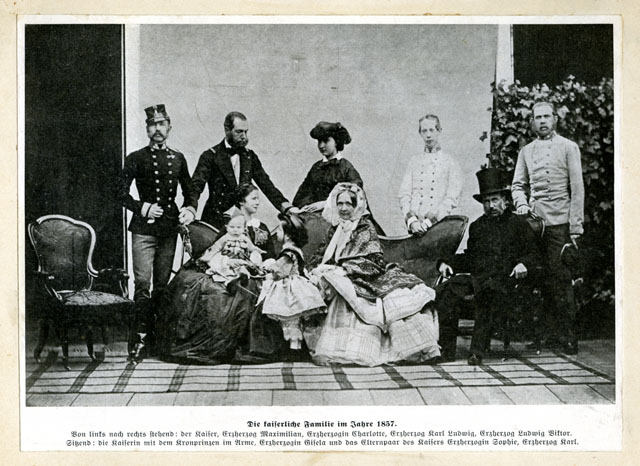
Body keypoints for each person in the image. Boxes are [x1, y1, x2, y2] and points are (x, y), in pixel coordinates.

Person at [308, 183, 441, 367]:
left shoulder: (365, 227)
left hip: (365, 276)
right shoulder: (334, 229)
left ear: (356, 205)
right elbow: (321, 254)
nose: (343, 208)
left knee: (379, 302)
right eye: (340, 204)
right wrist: (316, 269)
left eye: (348, 204)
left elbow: (375, 261)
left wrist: (346, 269)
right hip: (340, 275)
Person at [155, 183, 281, 364]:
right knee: (221, 294)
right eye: (254, 199)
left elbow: (269, 254)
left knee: (253, 288)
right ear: (241, 201)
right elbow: (217, 249)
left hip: (255, 268)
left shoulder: (261, 227)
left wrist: (264, 264)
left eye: (258, 199)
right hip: (228, 266)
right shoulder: (229, 226)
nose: (258, 203)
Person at [437, 168, 538, 365]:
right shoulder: (478, 226)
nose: (490, 206)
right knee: (447, 289)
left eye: (494, 200)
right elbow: (470, 258)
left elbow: (533, 254)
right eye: (486, 201)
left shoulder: (518, 224)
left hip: (506, 280)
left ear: (505, 201)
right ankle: (446, 351)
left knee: (488, 291)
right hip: (479, 278)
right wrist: (446, 262)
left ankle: (476, 351)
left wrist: (523, 264)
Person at [121, 104, 197, 355]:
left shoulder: (178, 158)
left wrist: (189, 209)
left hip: (168, 229)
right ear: (147, 129)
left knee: (162, 285)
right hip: (143, 229)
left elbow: (190, 190)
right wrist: (142, 207)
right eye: (152, 124)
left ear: (169, 127)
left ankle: (158, 339)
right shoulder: (135, 158)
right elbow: (119, 192)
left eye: (161, 124)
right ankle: (140, 339)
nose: (157, 129)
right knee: (143, 283)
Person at [511, 101, 585, 355]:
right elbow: (517, 185)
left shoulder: (568, 147)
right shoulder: (526, 151)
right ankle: (543, 335)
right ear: (532, 122)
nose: (542, 121)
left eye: (546, 116)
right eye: (537, 117)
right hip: (535, 226)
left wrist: (575, 227)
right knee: (538, 279)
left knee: (561, 279)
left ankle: (568, 336)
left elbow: (577, 189)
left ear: (554, 119)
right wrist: (522, 204)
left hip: (560, 224)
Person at [191, 111, 300, 230]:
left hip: (242, 220)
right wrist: (190, 209)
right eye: (239, 132)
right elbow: (195, 187)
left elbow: (267, 185)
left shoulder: (250, 156)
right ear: (227, 130)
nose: (244, 136)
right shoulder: (210, 156)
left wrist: (286, 207)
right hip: (215, 221)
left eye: (245, 132)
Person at [258, 214, 326, 350]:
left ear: (288, 235)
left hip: (290, 287)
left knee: (289, 317)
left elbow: (280, 271)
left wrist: (268, 269)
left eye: (279, 230)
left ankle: (293, 347)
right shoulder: (296, 249)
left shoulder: (288, 252)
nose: (277, 233)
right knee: (294, 318)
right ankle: (295, 346)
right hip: (298, 283)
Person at [398, 114, 462, 235]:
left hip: (438, 226)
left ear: (439, 131)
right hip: (414, 228)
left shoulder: (450, 162)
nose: (428, 135)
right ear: (420, 133)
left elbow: (452, 198)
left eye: (432, 130)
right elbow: (404, 194)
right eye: (424, 131)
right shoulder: (414, 161)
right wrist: (412, 221)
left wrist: (429, 222)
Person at [293, 121, 363, 212]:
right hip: (314, 213)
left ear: (336, 142)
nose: (321, 145)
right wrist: (305, 206)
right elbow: (304, 192)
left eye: (326, 141)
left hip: (339, 213)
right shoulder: (316, 167)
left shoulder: (346, 167)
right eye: (319, 141)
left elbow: (354, 192)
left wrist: (325, 204)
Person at [200, 210, 265, 286]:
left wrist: (258, 251)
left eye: (239, 227)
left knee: (247, 263)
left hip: (242, 260)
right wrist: (207, 257)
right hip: (228, 260)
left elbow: (251, 247)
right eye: (232, 227)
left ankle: (244, 275)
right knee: (225, 267)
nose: (235, 230)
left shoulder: (244, 239)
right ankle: (232, 281)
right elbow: (215, 247)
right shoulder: (224, 238)